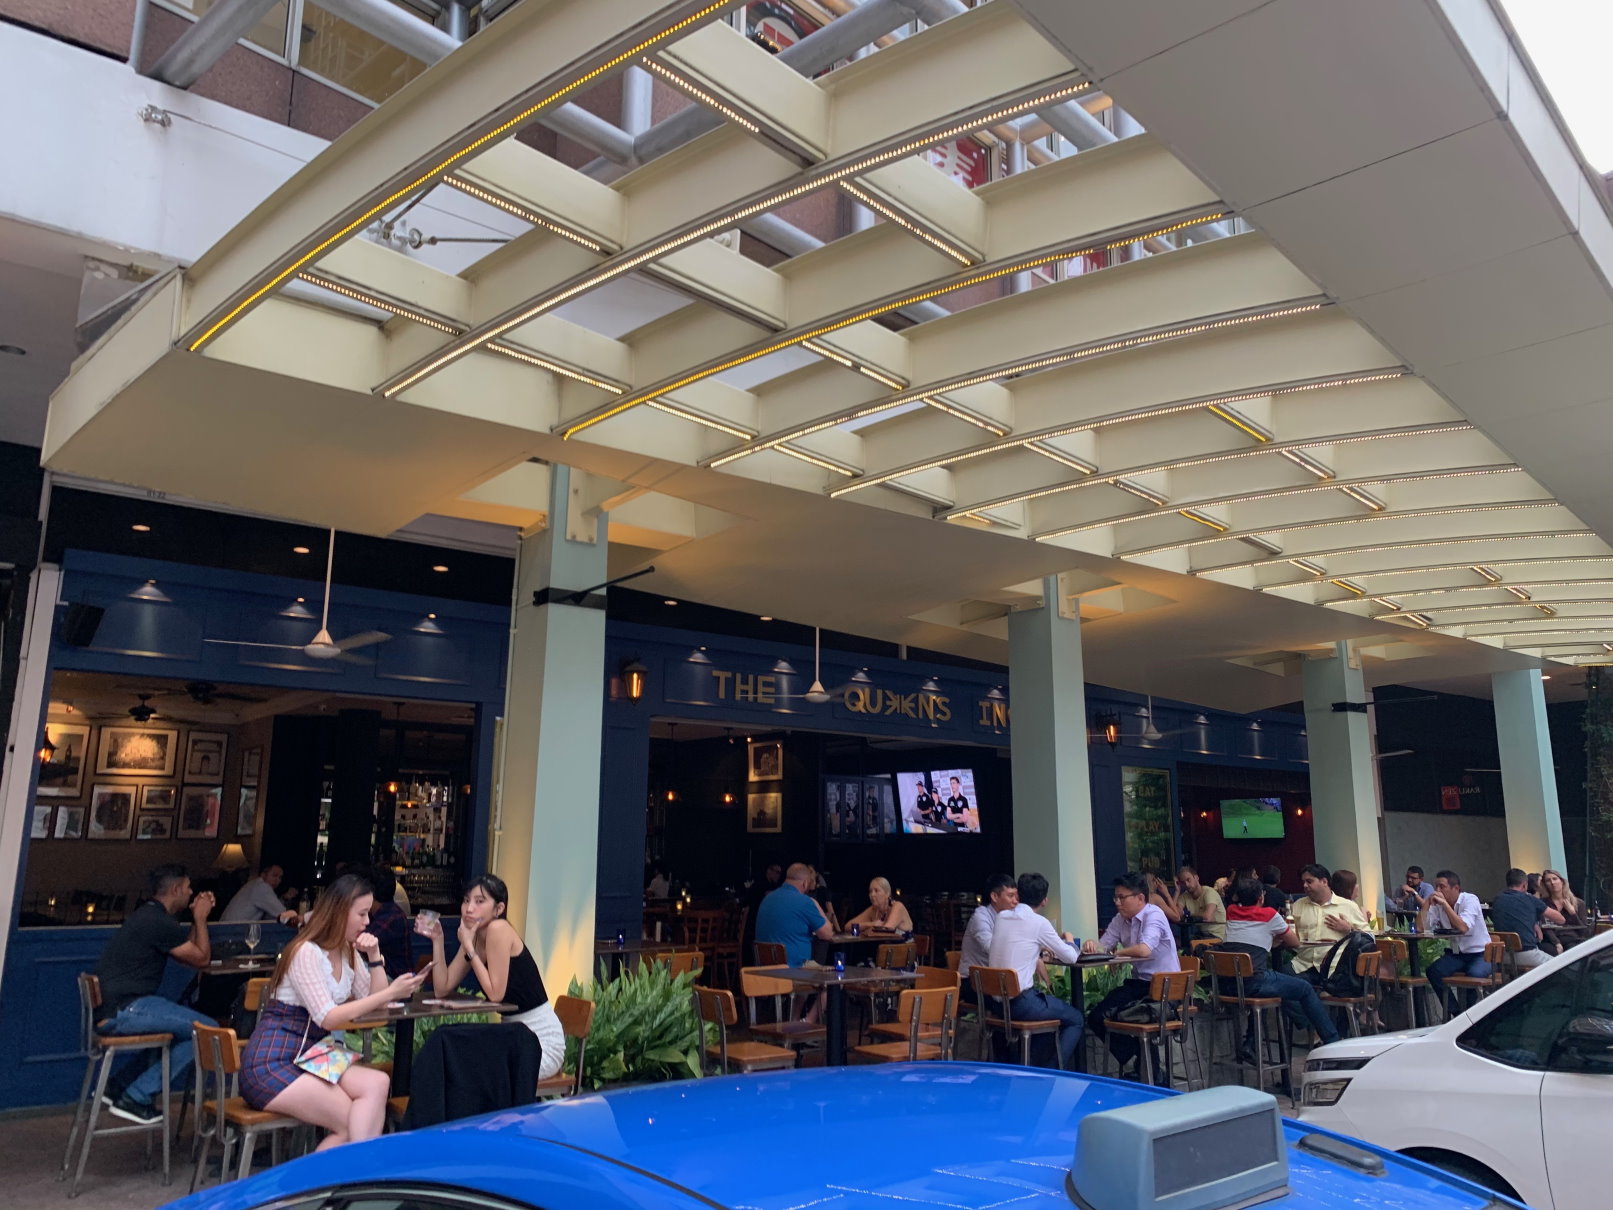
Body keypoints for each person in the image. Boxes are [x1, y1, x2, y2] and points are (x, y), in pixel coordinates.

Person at [240, 874, 424, 1148]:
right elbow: (327, 1018)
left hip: (313, 1054)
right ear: (339, 911)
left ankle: (357, 1166)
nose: (367, 921)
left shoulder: (347, 950)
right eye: (361, 914)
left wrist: (375, 959)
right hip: (273, 1060)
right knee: (348, 1122)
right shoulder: (306, 951)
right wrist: (390, 992)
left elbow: (378, 1007)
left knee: (377, 1082)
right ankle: (336, 1174)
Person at [94, 865, 216, 1123]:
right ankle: (136, 1097)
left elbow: (188, 955)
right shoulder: (158, 922)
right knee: (208, 1031)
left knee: (183, 1032)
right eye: (188, 888)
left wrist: (195, 918)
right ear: (176, 890)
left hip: (116, 1007)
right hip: (126, 1009)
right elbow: (202, 959)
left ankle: (119, 1085)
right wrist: (202, 918)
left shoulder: (149, 915)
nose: (191, 892)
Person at [417, 875, 565, 1080]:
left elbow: (496, 994)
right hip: (511, 1037)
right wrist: (438, 939)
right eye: (466, 900)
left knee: (473, 1071)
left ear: (498, 909)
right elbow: (442, 988)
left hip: (540, 1042)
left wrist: (469, 948)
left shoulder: (499, 929)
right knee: (455, 1053)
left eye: (479, 901)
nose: (469, 908)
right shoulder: (475, 937)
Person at [1217, 877, 1340, 1051]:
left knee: (1274, 987)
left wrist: (1268, 939)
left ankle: (1251, 1044)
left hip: (1227, 986)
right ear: (1261, 897)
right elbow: (1294, 943)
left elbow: (1247, 935)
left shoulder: (1231, 911)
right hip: (1254, 984)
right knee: (1305, 989)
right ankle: (1333, 1042)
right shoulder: (1269, 915)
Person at [1085, 872, 1181, 1084]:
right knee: (1096, 1017)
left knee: (1129, 1015)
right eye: (1116, 897)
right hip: (1139, 984)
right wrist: (1092, 946)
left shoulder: (1154, 915)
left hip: (1166, 989)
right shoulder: (1120, 919)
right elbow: (1104, 946)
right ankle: (1144, 1061)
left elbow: (1144, 950)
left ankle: (1149, 1069)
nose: (1117, 903)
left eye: (1122, 897)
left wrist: (1116, 954)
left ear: (1140, 898)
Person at [985, 873, 1083, 1067]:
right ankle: (1051, 1071)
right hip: (1021, 1004)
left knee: (1048, 1017)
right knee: (1076, 1018)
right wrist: (1070, 939)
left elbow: (1019, 942)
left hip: (995, 1003)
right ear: (1044, 900)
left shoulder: (1001, 917)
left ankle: (1033, 1066)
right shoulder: (1039, 923)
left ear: (1018, 895)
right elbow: (1071, 957)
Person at [1419, 869, 1493, 1014]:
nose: (1437, 891)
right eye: (1436, 887)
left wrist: (1445, 905)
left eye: (1442, 887)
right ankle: (1457, 1013)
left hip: (1481, 953)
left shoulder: (1470, 900)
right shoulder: (1438, 905)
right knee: (1434, 971)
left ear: (1456, 888)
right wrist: (1427, 903)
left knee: (1474, 974)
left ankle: (1471, 1015)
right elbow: (1421, 928)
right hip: (1458, 954)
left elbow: (1463, 927)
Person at [1290, 864, 1368, 988]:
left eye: (1309, 881)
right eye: (1303, 882)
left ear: (1324, 882)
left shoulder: (1347, 906)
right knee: (1282, 982)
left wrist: (1349, 929)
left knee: (1301, 989)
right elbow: (1291, 931)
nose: (1305, 885)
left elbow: (1369, 937)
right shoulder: (1298, 905)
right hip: (1302, 965)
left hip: (1334, 969)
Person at [755, 863, 834, 968]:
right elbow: (827, 934)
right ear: (805, 883)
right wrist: (815, 904)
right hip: (794, 970)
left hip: (764, 970)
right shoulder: (805, 902)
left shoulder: (767, 899)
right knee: (830, 966)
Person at [959, 873, 1018, 999]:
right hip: (973, 981)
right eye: (1010, 896)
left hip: (997, 979)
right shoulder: (980, 917)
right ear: (994, 896)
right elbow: (992, 949)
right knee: (1019, 1001)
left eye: (1016, 896)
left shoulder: (1011, 917)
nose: (1015, 901)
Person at [1491, 867, 1557, 971]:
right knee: (1560, 967)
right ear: (1524, 885)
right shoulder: (1529, 899)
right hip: (1527, 954)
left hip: (1503, 956)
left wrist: (1534, 923)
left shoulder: (1497, 899)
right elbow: (1560, 919)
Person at [362, 865, 414, 980]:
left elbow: (361, 943)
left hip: (397, 981)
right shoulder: (387, 912)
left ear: (370, 893)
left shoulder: (391, 918)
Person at [220, 862, 298, 925]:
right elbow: (284, 915)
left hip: (228, 928)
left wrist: (284, 898)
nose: (278, 880)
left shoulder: (254, 884)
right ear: (263, 875)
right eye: (274, 875)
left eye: (280, 877)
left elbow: (270, 916)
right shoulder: (262, 887)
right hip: (231, 931)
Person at [1168, 864, 1226, 941]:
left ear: (1197, 878)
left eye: (1188, 880)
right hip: (1201, 934)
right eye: (1183, 882)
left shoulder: (1209, 893)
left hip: (1217, 936)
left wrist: (1187, 916)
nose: (1187, 884)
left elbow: (1207, 917)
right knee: (1177, 942)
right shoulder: (1185, 896)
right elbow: (1174, 915)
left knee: (1187, 944)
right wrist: (1177, 891)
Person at [1537, 869, 1587, 952]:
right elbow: (1545, 927)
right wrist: (1557, 943)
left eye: (1555, 879)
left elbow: (1584, 930)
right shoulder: (1542, 903)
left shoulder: (1579, 903)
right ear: (1545, 885)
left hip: (1572, 939)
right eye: (1548, 880)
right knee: (1548, 950)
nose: (1552, 882)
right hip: (1551, 940)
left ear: (1562, 881)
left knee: (1573, 950)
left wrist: (1573, 913)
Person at [845, 877, 913, 934]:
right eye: (870, 891)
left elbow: (886, 931)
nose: (872, 895)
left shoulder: (897, 906)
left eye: (876, 891)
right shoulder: (874, 909)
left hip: (904, 945)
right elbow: (847, 927)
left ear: (887, 893)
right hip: (884, 945)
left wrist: (866, 930)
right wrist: (870, 924)